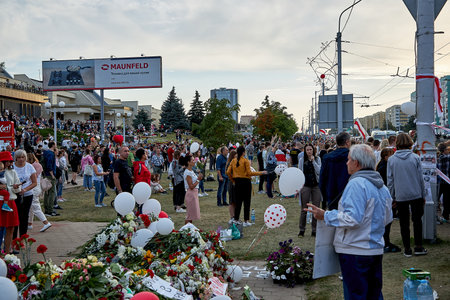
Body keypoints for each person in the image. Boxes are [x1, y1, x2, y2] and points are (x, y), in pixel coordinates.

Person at [306, 144, 393, 300]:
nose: (346, 163)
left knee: (356, 294)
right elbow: (387, 218)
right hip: (374, 249)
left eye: (348, 160)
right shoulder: (382, 187)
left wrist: (326, 215)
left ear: (357, 163)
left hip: (355, 250)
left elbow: (352, 218)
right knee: (373, 294)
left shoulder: (357, 184)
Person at [387, 133, 427, 257]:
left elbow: (390, 180)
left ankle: (407, 249)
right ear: (409, 142)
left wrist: (391, 197)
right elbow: (421, 178)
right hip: (416, 193)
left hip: (400, 194)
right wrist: (423, 194)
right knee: (417, 221)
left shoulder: (392, 160)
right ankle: (419, 247)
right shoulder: (415, 158)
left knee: (403, 223)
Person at [227, 146, 265, 227]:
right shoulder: (245, 161)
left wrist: (233, 180)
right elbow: (249, 173)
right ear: (243, 152)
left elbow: (228, 172)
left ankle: (236, 219)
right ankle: (246, 220)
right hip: (245, 182)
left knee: (238, 202)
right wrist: (260, 172)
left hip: (237, 182)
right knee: (247, 201)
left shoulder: (233, 161)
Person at [375, 148, 400, 253]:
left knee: (387, 220)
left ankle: (386, 241)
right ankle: (385, 242)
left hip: (385, 195)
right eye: (391, 155)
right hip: (385, 196)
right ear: (385, 157)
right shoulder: (383, 167)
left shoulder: (382, 165)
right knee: (387, 220)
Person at [319, 132, 351, 210]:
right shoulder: (352, 157)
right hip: (348, 195)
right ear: (347, 142)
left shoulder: (327, 158)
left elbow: (322, 179)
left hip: (331, 195)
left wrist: (325, 196)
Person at [298, 144, 321, 237]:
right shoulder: (301, 160)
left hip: (316, 186)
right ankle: (302, 229)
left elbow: (319, 171)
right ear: (305, 151)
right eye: (307, 150)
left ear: (313, 150)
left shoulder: (318, 159)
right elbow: (299, 173)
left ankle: (314, 230)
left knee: (316, 208)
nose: (309, 151)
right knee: (304, 209)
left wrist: (313, 162)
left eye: (310, 149)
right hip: (305, 185)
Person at [13, 149, 37, 238]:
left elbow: (34, 182)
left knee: (24, 216)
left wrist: (25, 189)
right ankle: (14, 239)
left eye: (23, 157)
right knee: (15, 217)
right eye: (19, 157)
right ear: (16, 158)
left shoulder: (29, 167)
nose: (21, 159)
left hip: (27, 195)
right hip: (15, 195)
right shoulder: (12, 167)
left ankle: (23, 238)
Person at [0, 151, 21, 254]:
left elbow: (18, 187)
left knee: (11, 228)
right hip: (1, 202)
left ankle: (7, 252)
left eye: (9, 161)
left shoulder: (12, 172)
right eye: (5, 161)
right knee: (1, 228)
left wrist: (16, 187)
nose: (8, 164)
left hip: (11, 201)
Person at [26, 153, 51, 232]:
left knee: (35, 207)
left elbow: (30, 178)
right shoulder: (38, 164)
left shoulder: (32, 166)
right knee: (31, 207)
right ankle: (29, 224)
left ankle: (46, 222)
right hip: (37, 188)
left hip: (33, 188)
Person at [182, 154, 203, 224]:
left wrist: (198, 177)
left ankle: (189, 229)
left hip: (194, 193)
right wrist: (198, 180)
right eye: (193, 160)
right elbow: (191, 186)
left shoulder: (191, 171)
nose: (194, 161)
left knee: (192, 214)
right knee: (189, 215)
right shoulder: (187, 172)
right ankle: (186, 230)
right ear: (188, 162)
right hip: (191, 193)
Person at [42, 141, 59, 216]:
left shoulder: (45, 152)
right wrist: (52, 174)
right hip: (50, 174)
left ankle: (46, 209)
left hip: (46, 174)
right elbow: (49, 164)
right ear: (53, 145)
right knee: (52, 193)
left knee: (47, 192)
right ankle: (50, 210)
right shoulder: (50, 153)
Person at [437, 143, 449, 221]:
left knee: (436, 198)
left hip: (439, 182)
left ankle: (436, 214)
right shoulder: (448, 158)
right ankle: (445, 216)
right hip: (447, 182)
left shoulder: (437, 158)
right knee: (447, 200)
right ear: (444, 150)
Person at [225, 149, 237, 224]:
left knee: (235, 201)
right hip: (232, 184)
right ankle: (232, 217)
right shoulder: (230, 164)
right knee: (232, 201)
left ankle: (235, 216)